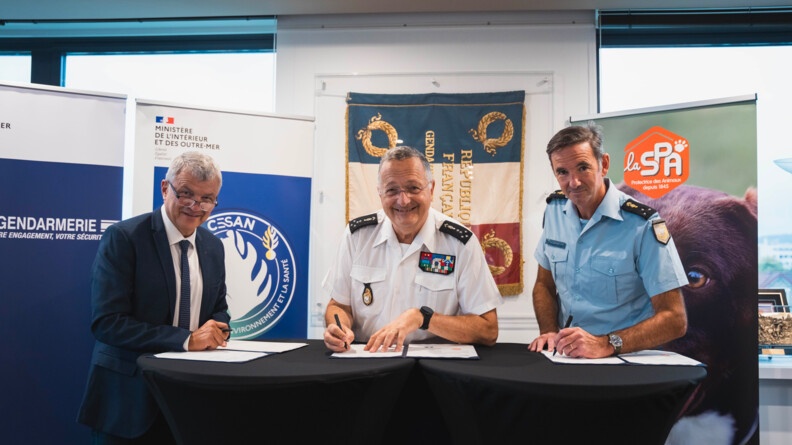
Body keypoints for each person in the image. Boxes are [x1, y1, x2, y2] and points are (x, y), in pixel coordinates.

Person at [78, 151, 230, 444]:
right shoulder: (124, 238)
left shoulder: (213, 246)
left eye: (207, 198)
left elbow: (219, 308)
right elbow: (108, 323)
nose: (196, 206)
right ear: (165, 189)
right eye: (186, 193)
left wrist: (218, 327)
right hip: (129, 404)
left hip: (190, 403)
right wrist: (186, 340)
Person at [528, 124, 688, 358]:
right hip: (567, 358)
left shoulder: (642, 224)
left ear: (603, 164)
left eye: (583, 168)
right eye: (562, 172)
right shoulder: (554, 211)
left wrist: (606, 344)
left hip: (626, 359)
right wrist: (549, 331)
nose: (573, 182)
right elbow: (544, 284)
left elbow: (674, 319)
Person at [323, 145, 502, 353]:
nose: (403, 200)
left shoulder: (460, 243)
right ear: (380, 193)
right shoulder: (357, 237)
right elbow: (339, 305)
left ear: (431, 189)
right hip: (367, 362)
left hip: (432, 369)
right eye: (392, 190)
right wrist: (338, 328)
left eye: (413, 188)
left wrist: (423, 319)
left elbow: (488, 329)